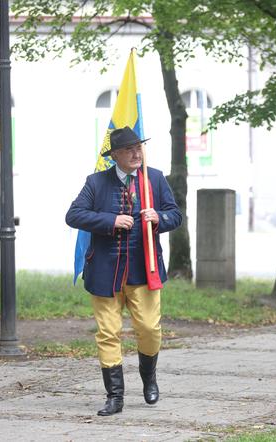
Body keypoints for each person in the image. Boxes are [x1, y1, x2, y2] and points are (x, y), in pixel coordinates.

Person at [66, 126, 182, 416]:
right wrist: (111, 220)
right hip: (105, 272)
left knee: (149, 329)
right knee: (108, 333)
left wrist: (160, 217)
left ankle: (149, 378)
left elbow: (175, 214)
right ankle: (114, 396)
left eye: (138, 148)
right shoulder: (96, 182)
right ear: (115, 155)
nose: (136, 153)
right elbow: (74, 215)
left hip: (145, 269)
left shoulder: (153, 178)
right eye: (129, 149)